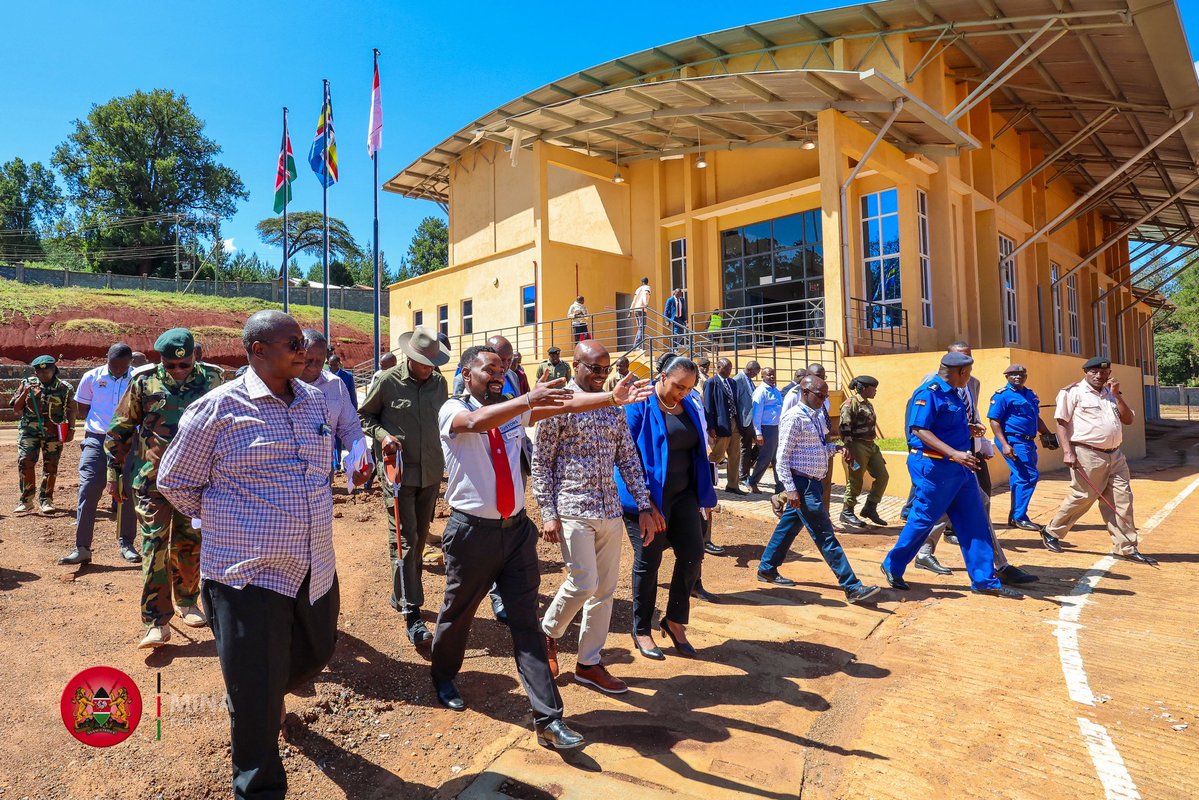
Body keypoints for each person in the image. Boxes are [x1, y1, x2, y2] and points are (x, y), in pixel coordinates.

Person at [158, 310, 363, 799]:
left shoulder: (316, 400)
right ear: (257, 350)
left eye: (303, 342)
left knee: (318, 653)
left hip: (314, 565)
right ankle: (259, 785)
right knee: (253, 695)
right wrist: (226, 524)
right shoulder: (218, 409)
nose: (303, 349)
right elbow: (174, 480)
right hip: (247, 575)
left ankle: (267, 692)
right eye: (291, 342)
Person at [430, 345, 650, 751]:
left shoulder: (516, 410)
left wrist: (610, 397)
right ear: (466, 373)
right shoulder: (452, 408)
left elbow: (567, 401)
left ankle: (549, 719)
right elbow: (476, 422)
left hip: (515, 534)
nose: (499, 373)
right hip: (471, 533)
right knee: (458, 612)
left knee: (527, 625)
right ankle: (443, 675)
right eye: (489, 368)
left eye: (504, 368)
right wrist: (525, 400)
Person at [534, 341, 653, 694]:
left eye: (605, 369)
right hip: (573, 507)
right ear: (575, 366)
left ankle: (589, 663)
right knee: (584, 582)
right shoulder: (559, 405)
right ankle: (548, 632)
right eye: (594, 369)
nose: (602, 376)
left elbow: (628, 458)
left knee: (604, 591)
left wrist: (644, 505)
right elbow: (541, 462)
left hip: (609, 510)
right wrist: (548, 512)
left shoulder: (614, 405)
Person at [106, 328, 224, 648]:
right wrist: (113, 473)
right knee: (154, 549)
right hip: (152, 482)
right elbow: (121, 429)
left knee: (189, 546)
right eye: (170, 365)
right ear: (161, 361)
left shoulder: (214, 381)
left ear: (194, 358)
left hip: (196, 483)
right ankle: (155, 622)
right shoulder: (144, 382)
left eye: (184, 365)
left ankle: (187, 601)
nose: (177, 371)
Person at [879, 352, 1020, 598]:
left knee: (975, 521)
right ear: (961, 372)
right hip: (935, 467)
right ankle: (893, 565)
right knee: (923, 520)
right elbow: (920, 430)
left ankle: (984, 580)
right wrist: (953, 453)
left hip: (960, 467)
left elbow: (945, 425)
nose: (970, 378)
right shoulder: (929, 392)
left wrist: (969, 429)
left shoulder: (955, 393)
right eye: (969, 373)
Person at [617, 356, 716, 660]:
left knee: (692, 554)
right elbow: (624, 457)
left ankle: (674, 621)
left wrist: (704, 495)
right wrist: (645, 503)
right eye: (678, 386)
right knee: (649, 561)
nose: (682, 393)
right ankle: (642, 628)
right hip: (646, 499)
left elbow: (699, 452)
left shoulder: (689, 406)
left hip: (683, 494)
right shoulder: (639, 404)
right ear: (661, 377)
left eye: (688, 388)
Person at [359, 325, 450, 645]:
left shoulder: (439, 383)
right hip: (398, 474)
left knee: (421, 535)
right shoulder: (388, 382)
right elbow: (365, 417)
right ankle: (413, 610)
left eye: (433, 362)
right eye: (424, 361)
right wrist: (384, 438)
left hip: (430, 474)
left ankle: (401, 594)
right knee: (406, 540)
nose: (430, 367)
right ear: (410, 358)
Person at [758, 376, 881, 603]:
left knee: (788, 527)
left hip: (813, 482)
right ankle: (852, 586)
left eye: (825, 396)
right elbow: (782, 458)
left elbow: (817, 448)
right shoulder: (794, 418)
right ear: (805, 392)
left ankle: (767, 568)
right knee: (825, 534)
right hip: (802, 485)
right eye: (820, 395)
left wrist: (836, 449)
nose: (823, 399)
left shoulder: (814, 416)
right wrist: (791, 490)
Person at [1041, 357, 1155, 564]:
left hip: (1116, 455)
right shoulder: (1072, 392)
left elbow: (1128, 419)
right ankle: (1052, 531)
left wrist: (1117, 395)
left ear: (1109, 374)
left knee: (1123, 500)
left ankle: (1126, 547)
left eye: (1104, 372)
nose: (1099, 375)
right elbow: (1062, 423)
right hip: (1087, 453)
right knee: (1084, 496)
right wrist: (1068, 452)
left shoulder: (1111, 394)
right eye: (1094, 371)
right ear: (1086, 372)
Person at [60, 343, 141, 565]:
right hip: (97, 439)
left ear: (130, 363)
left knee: (127, 492)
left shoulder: (138, 379)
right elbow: (83, 408)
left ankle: (127, 544)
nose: (117, 370)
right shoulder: (91, 377)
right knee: (89, 488)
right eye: (113, 365)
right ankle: (82, 547)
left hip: (127, 441)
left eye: (122, 367)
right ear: (107, 359)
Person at [989, 364, 1057, 531]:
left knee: (1019, 477)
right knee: (1029, 475)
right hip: (1013, 440)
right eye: (1013, 375)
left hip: (1029, 441)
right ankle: (1020, 517)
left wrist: (1047, 435)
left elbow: (1036, 418)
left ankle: (1015, 516)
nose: (1017, 377)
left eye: (1021, 374)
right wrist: (1005, 445)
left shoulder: (1030, 394)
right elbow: (994, 421)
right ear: (1007, 377)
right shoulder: (1002, 396)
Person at [298, 329, 367, 480]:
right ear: (298, 354)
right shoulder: (281, 383)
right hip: (287, 473)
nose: (313, 365)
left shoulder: (335, 385)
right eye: (308, 359)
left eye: (319, 360)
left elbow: (350, 427)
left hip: (323, 472)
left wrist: (362, 459)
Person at [13, 355, 76, 514]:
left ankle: (46, 500)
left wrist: (71, 429)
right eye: (38, 372)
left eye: (46, 370)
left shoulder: (64, 387)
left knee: (51, 466)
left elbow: (71, 410)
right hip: (29, 431)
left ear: (54, 369)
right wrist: (26, 392)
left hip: (53, 432)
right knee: (25, 461)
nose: (42, 374)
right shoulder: (27, 384)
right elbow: (16, 407)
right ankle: (26, 500)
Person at [838, 376, 889, 529]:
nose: (875, 391)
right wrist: (850, 450)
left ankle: (870, 508)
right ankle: (847, 511)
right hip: (856, 445)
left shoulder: (868, 404)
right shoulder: (850, 403)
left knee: (882, 476)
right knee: (856, 480)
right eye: (873, 388)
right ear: (864, 388)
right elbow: (844, 427)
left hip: (870, 445)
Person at [703, 358, 743, 494]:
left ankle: (732, 485)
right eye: (726, 368)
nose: (728, 371)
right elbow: (708, 406)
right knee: (718, 455)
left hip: (735, 423)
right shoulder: (711, 383)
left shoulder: (732, 382)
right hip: (721, 425)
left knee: (735, 455)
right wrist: (711, 427)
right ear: (718, 367)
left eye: (730, 368)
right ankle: (705, 482)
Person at [747, 367, 783, 493]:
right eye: (769, 375)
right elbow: (756, 414)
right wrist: (758, 433)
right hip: (767, 428)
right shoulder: (761, 391)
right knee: (765, 458)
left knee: (778, 458)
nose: (772, 377)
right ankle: (752, 482)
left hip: (777, 427)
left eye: (773, 374)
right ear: (762, 376)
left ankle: (780, 486)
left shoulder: (776, 390)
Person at [734, 361, 760, 484]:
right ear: (750, 370)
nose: (756, 375)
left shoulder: (749, 380)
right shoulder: (738, 379)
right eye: (756, 372)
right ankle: (742, 475)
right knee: (745, 447)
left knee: (760, 444)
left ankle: (746, 466)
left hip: (753, 419)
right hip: (744, 419)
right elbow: (736, 401)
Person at [630, 277, 651, 349]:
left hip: (636, 309)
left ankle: (638, 345)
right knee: (642, 328)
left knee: (640, 328)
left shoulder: (638, 289)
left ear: (642, 282)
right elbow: (645, 295)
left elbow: (634, 300)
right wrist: (646, 304)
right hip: (641, 309)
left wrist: (630, 311)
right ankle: (637, 345)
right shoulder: (647, 288)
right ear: (647, 282)